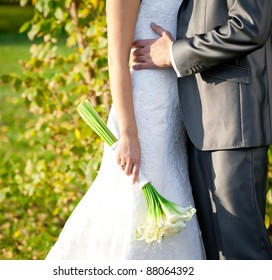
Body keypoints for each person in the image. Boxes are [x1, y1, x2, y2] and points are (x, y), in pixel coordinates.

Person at [45, 0, 205, 260]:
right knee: (134, 203)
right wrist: (129, 135)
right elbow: (116, 59)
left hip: (176, 106)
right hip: (144, 113)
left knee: (174, 185)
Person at [131, 0, 272, 259]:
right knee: (215, 253)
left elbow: (250, 26)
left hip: (232, 120)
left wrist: (175, 54)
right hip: (193, 120)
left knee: (242, 253)